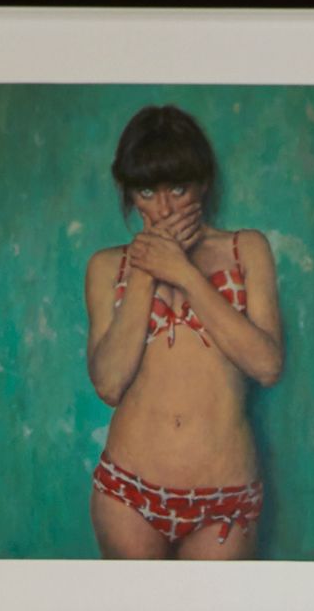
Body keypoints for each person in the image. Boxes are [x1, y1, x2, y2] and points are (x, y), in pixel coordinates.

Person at [84, 104, 285, 560]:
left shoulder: (247, 249)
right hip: (127, 494)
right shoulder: (104, 267)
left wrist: (185, 273)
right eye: (147, 192)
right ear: (129, 193)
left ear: (204, 184)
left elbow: (268, 366)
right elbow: (109, 383)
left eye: (178, 188)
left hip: (226, 499)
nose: (165, 208)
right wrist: (146, 272)